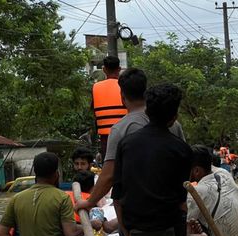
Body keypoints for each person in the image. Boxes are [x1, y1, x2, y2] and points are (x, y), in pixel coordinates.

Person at [77, 68, 186, 214]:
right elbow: (184, 165)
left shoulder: (120, 129)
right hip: (172, 208)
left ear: (122, 95)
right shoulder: (172, 124)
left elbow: (109, 175)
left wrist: (89, 202)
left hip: (138, 213)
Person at [112, 83, 192, 236]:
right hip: (168, 228)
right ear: (174, 117)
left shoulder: (126, 144)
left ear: (147, 111)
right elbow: (181, 202)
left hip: (133, 227)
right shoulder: (182, 150)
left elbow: (117, 199)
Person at [0, 152, 84, 236]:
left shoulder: (17, 198)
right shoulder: (62, 197)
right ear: (56, 174)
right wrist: (90, 226)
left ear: (35, 174)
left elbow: (0, 233)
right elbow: (71, 233)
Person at [92, 56, 128, 161]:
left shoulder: (96, 87)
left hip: (106, 137)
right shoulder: (125, 86)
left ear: (104, 69)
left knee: (109, 166)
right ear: (119, 69)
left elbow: (94, 112)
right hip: (125, 133)